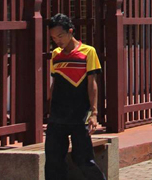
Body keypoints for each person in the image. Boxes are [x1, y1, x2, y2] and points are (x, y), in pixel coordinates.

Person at [45, 13, 105, 180]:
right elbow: (55, 83)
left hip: (80, 115)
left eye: (60, 36)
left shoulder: (88, 52)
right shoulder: (56, 55)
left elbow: (92, 84)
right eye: (53, 38)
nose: (57, 40)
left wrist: (93, 113)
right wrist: (50, 110)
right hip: (57, 116)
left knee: (84, 159)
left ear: (70, 31)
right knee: (53, 161)